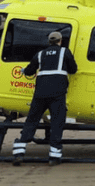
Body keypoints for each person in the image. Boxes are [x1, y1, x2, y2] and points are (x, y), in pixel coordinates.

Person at [11, 31, 78, 166]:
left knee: (32, 120)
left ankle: (19, 152)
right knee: (57, 123)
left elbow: (30, 71)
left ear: (49, 42)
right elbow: (73, 69)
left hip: (40, 93)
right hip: (57, 93)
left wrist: (24, 70)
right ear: (60, 41)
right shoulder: (65, 52)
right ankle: (54, 157)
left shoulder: (40, 54)